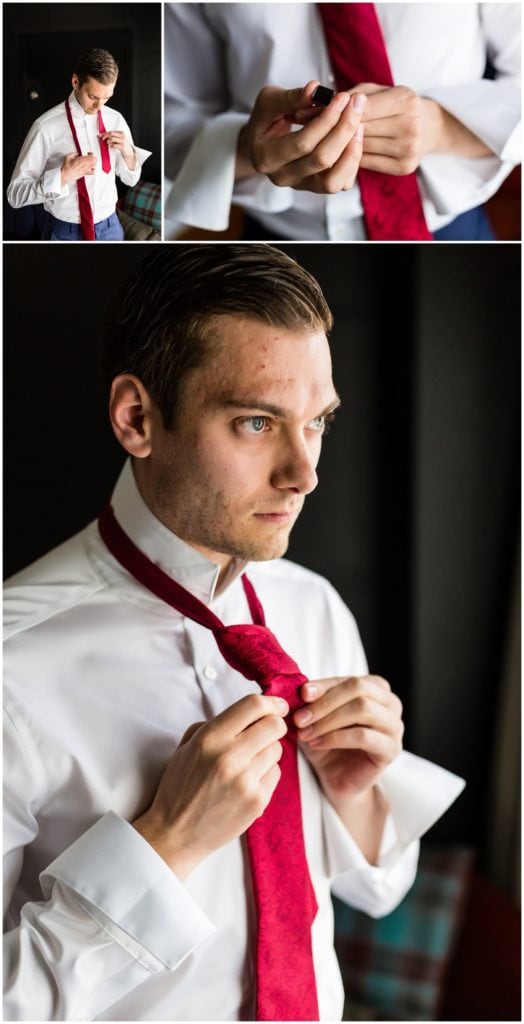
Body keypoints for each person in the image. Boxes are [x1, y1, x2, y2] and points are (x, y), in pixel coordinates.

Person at [4, 245, 464, 1021]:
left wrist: (352, 799)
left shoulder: (311, 609)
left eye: (318, 422)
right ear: (138, 417)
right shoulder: (12, 665)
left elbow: (375, 888)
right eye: (257, 421)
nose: (305, 472)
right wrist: (166, 845)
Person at [164, 3, 521, 241]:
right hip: (273, 238)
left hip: (451, 232)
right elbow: (170, 117)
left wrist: (440, 127)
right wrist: (244, 146)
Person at [7, 48, 151, 241]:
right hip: (63, 233)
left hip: (111, 228)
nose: (99, 106)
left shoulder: (115, 119)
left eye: (107, 97)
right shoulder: (45, 126)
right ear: (75, 82)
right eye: (93, 97)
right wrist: (61, 177)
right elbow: (14, 195)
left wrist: (127, 152)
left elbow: (131, 180)